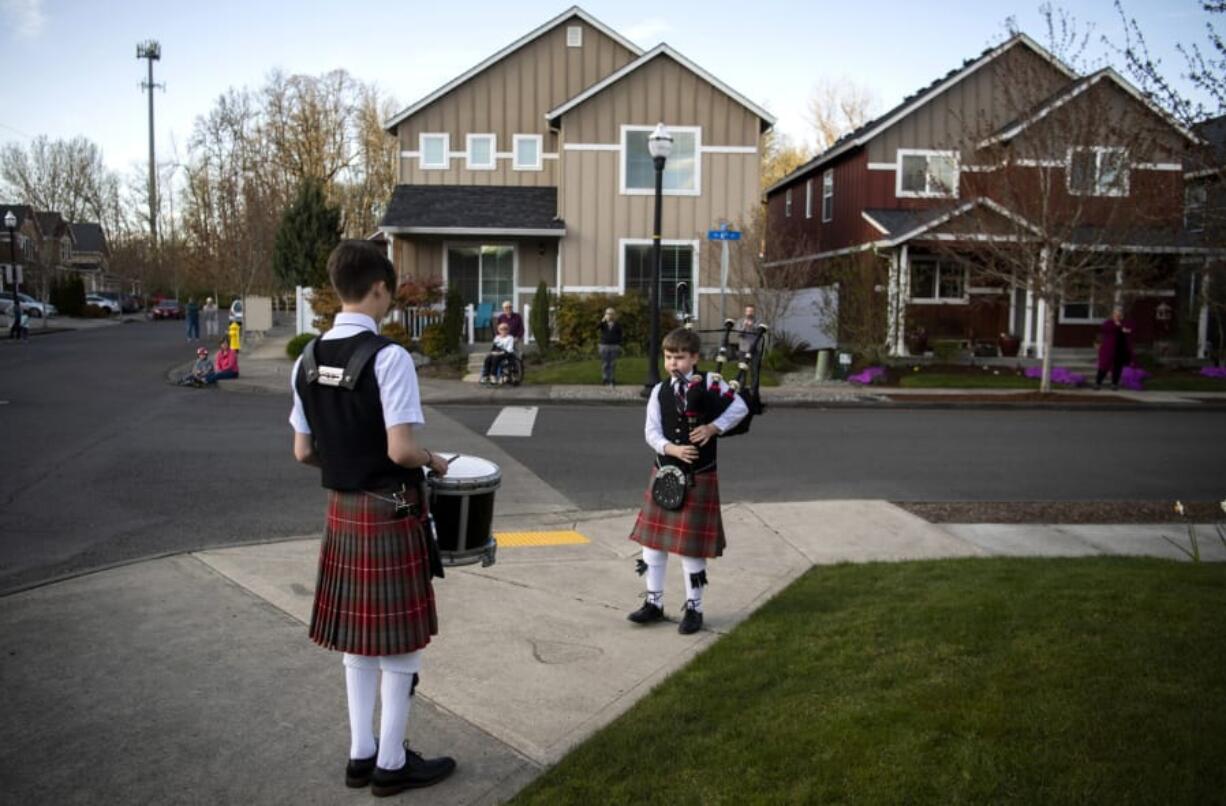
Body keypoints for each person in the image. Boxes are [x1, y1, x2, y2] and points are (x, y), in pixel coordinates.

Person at [289, 239, 455, 797]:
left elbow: (302, 452)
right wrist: (436, 460)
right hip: (391, 509)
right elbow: (402, 450)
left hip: (343, 511)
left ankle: (361, 755)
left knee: (359, 642)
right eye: (388, 293)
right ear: (380, 289)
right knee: (400, 644)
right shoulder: (389, 357)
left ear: (338, 289)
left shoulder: (306, 360)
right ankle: (390, 764)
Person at [626, 327, 748, 635]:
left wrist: (713, 428)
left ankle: (694, 609)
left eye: (679, 357)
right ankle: (654, 603)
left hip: (699, 476)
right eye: (668, 357)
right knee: (652, 546)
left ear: (694, 357)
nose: (673, 363)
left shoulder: (712, 383)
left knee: (691, 550)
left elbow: (741, 407)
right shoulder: (660, 391)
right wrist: (671, 448)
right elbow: (651, 432)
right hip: (665, 472)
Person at [1096, 306, 1133, 391]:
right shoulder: (1108, 323)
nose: (1118, 316)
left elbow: (1130, 330)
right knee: (1104, 366)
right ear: (1113, 315)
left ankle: (1114, 384)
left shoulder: (1124, 323)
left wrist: (1124, 329)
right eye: (1116, 314)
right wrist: (1118, 326)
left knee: (1117, 368)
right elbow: (1104, 329)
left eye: (1119, 314)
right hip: (1109, 349)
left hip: (1120, 349)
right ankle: (1098, 383)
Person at [480, 321, 517, 385]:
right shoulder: (497, 337)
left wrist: (499, 353)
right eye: (501, 329)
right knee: (488, 358)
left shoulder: (510, 338)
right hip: (497, 352)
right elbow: (494, 347)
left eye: (505, 329)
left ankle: (493, 376)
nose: (503, 331)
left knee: (495, 358)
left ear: (508, 330)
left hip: (507, 353)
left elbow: (509, 349)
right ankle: (485, 375)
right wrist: (493, 352)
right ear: (499, 330)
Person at [597, 307, 623, 388]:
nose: (610, 315)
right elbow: (597, 327)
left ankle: (612, 379)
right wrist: (603, 320)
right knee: (605, 363)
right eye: (608, 314)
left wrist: (618, 343)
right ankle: (605, 378)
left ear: (614, 315)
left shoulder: (617, 324)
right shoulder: (603, 324)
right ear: (605, 314)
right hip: (604, 345)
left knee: (612, 363)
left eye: (611, 314)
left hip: (614, 346)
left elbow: (620, 334)